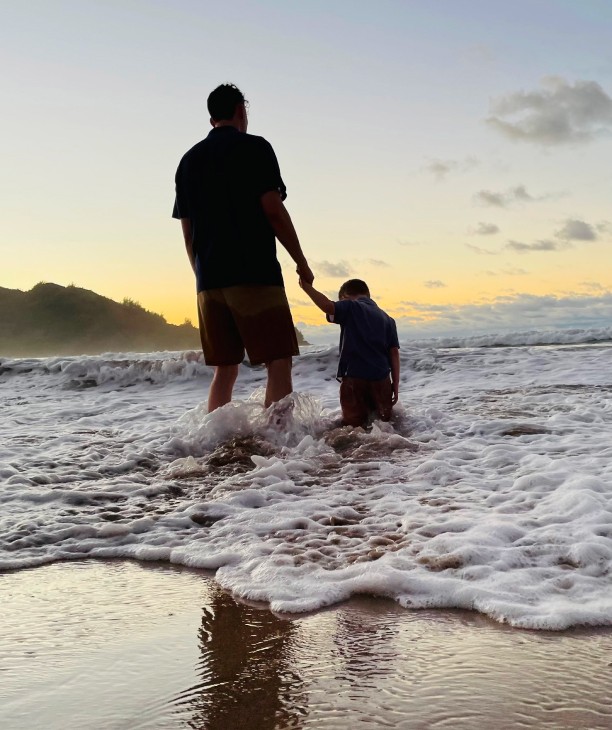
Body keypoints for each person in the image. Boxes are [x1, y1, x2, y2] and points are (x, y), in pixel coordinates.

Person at [173, 83, 313, 412]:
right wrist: (301, 261)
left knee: (225, 369)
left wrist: (202, 275)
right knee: (278, 361)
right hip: (254, 273)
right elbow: (273, 210)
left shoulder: (188, 161)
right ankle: (277, 447)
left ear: (212, 120)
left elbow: (187, 232)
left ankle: (215, 445)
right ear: (241, 111)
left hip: (208, 282)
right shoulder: (255, 148)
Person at [300, 277, 400, 427]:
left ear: (344, 297)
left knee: (353, 428)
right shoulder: (388, 319)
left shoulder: (351, 306)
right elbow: (394, 354)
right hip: (382, 381)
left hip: (355, 378)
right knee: (383, 426)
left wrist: (306, 287)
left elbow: (328, 306)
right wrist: (395, 385)